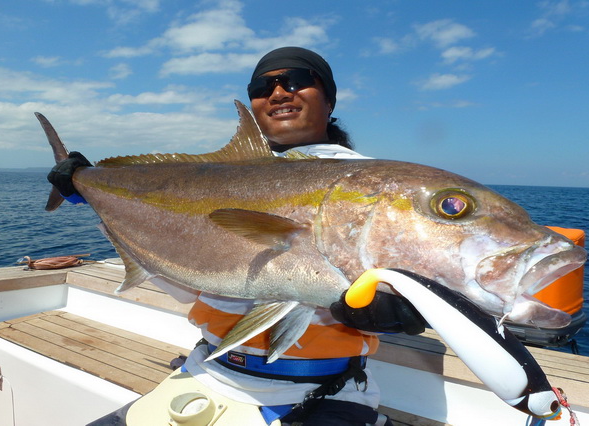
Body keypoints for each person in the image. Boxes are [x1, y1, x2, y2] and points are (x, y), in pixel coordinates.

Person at [49, 47, 425, 426]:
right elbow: (190, 286)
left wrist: (416, 304)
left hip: (322, 388)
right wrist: (96, 195)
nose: (279, 93)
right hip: (208, 371)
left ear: (328, 99)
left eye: (298, 81)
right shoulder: (219, 179)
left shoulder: (379, 183)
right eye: (263, 87)